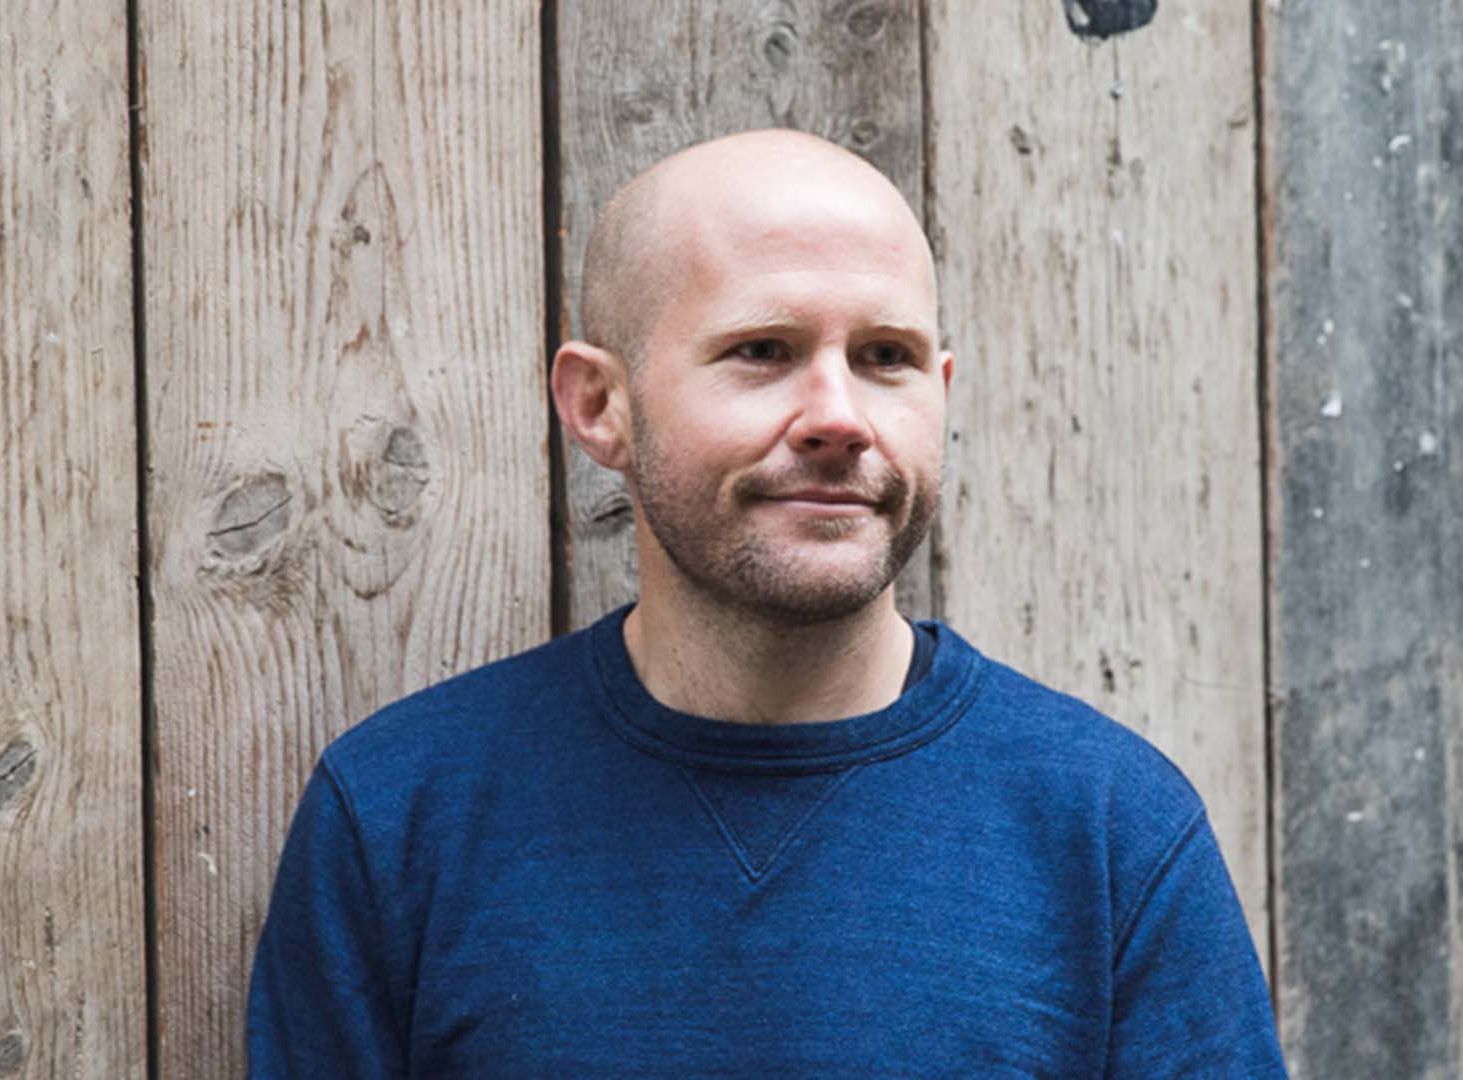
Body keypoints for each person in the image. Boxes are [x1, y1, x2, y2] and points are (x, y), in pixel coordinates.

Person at [246, 130, 1287, 1077]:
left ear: (943, 390)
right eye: (763, 352)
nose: (838, 416)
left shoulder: (1110, 833)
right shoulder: (398, 817)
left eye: (887, 358)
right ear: (599, 405)